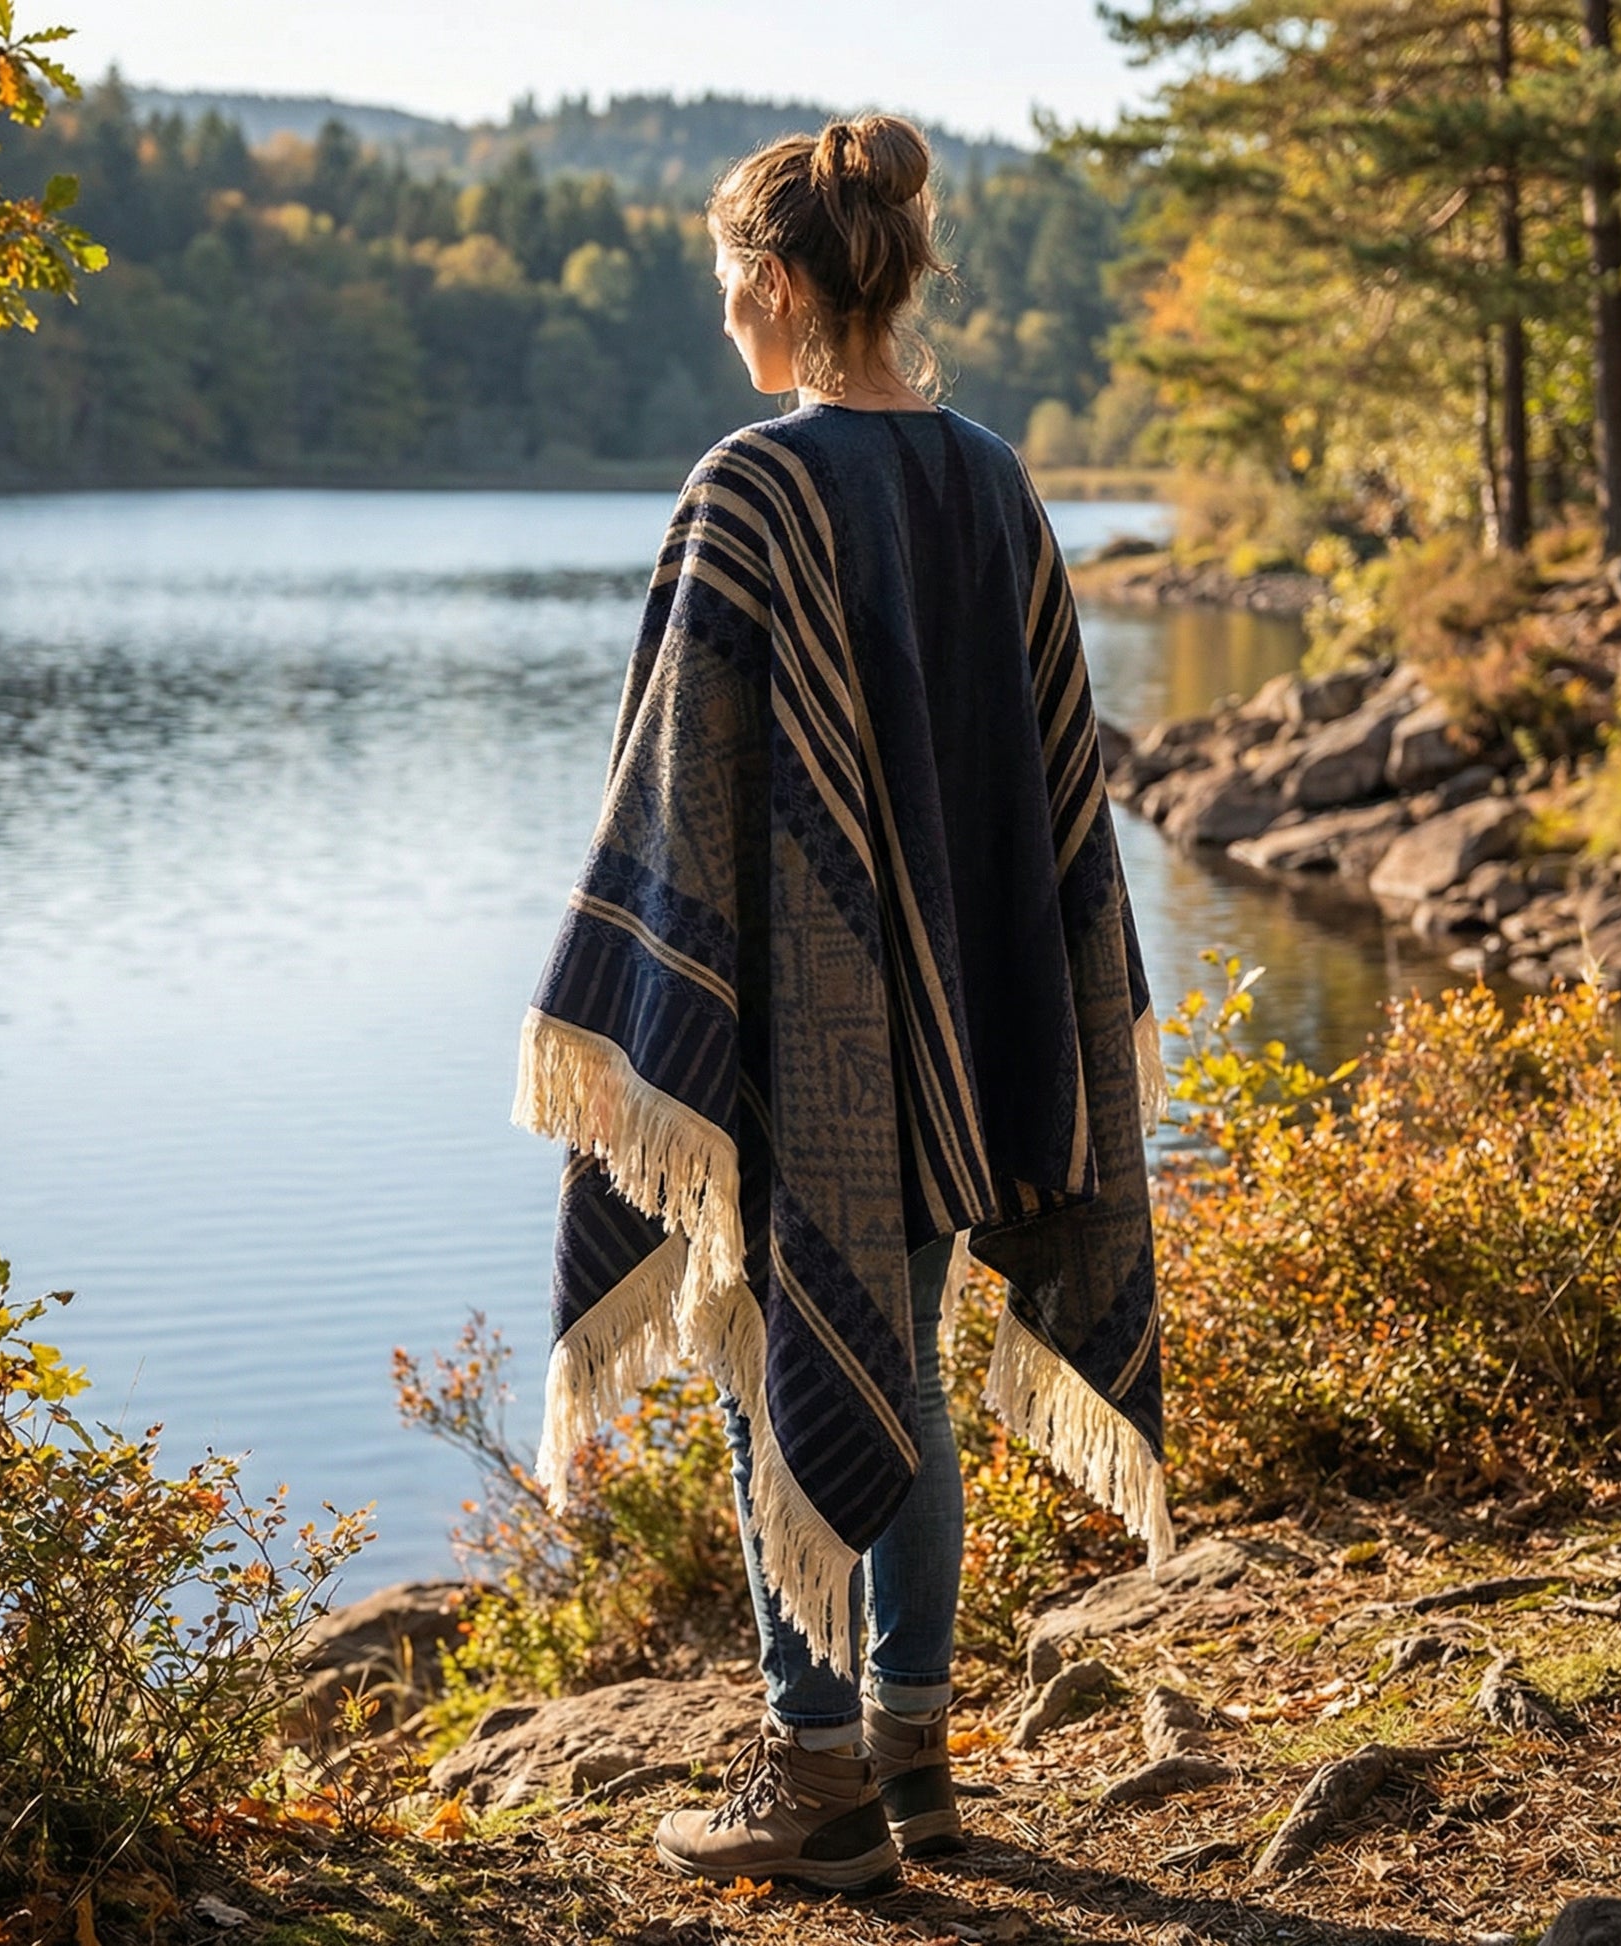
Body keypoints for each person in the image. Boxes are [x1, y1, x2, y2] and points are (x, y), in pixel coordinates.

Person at [516, 113, 1170, 1894]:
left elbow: (673, 789)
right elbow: (1048, 797)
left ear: (783, 283)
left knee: (772, 1364)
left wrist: (640, 1000)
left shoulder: (752, 488)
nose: (730, 324)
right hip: (969, 1025)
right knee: (911, 1374)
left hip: (804, 1047)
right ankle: (913, 1759)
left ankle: (810, 1788)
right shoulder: (995, 482)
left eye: (733, 289)